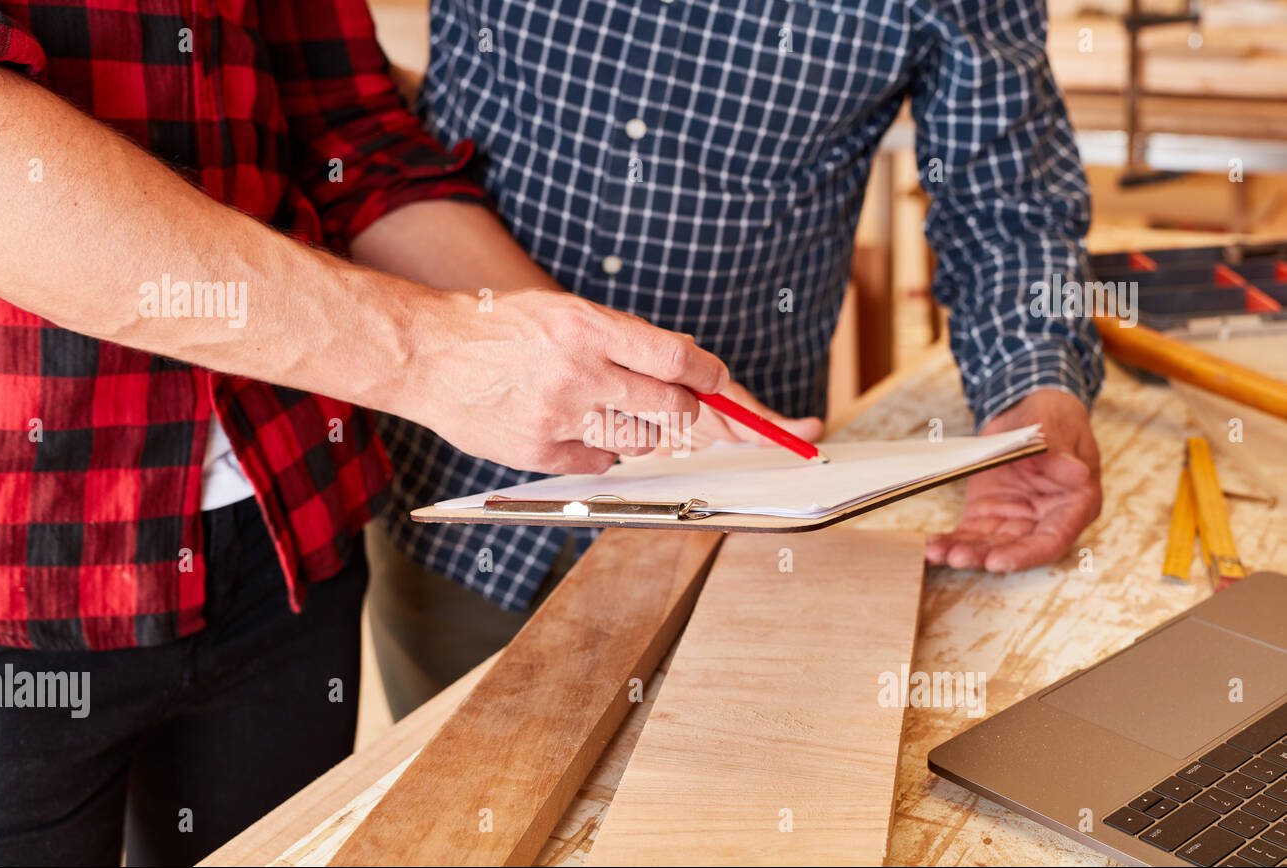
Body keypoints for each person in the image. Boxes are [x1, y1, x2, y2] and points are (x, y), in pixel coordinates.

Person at [0, 0, 726, 865]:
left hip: (292, 532)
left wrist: (592, 368)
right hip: (18, 575)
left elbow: (351, 135)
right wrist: (428, 353)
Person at [366, 0, 1105, 718]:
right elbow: (360, 130)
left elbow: (1008, 205)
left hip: (738, 510)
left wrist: (1028, 378)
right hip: (456, 490)